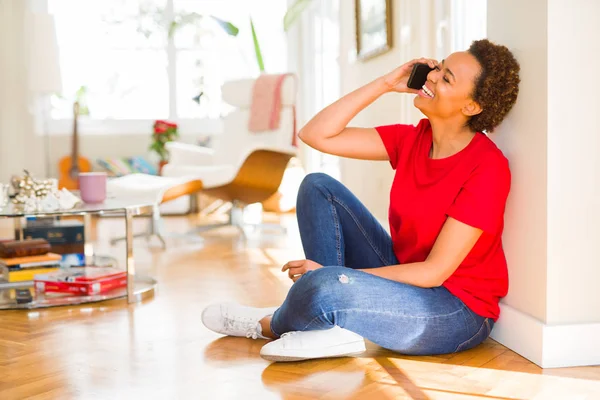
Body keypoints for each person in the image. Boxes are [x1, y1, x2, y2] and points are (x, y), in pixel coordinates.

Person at [201, 38, 521, 362]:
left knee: (325, 284)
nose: (432, 76)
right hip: (407, 276)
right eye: (438, 67)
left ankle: (269, 323)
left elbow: (434, 272)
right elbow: (316, 134)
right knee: (317, 186)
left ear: (472, 106)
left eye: (447, 78)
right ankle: (326, 328)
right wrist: (384, 84)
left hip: (455, 311)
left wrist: (336, 277)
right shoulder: (412, 139)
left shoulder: (488, 168)